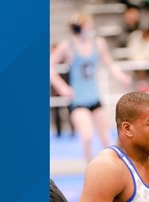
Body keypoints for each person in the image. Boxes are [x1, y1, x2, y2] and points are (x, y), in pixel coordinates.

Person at [50, 13, 132, 163]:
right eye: (87, 25)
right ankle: (90, 169)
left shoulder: (98, 43)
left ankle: (113, 168)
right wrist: (62, 87)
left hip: (94, 97)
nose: (90, 28)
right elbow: (49, 66)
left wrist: (121, 76)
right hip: (77, 100)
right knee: (87, 137)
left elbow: (109, 63)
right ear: (78, 27)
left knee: (106, 138)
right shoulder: (68, 46)